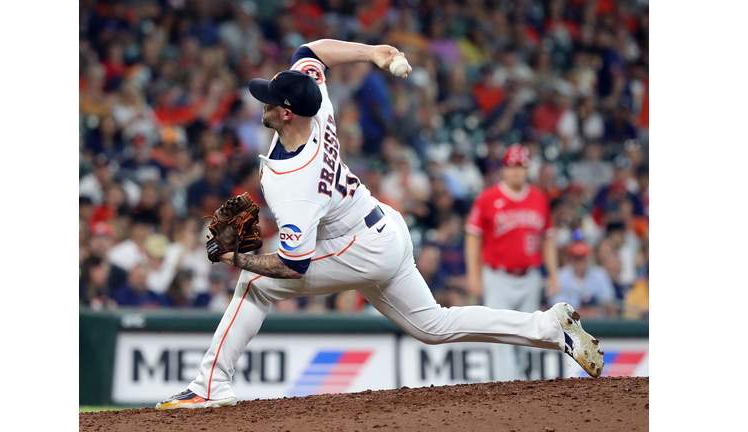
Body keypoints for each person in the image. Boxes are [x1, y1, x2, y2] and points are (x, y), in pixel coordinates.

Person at [156, 39, 603, 410]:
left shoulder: (293, 180)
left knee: (255, 284)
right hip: (380, 225)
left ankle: (211, 385)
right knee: (433, 326)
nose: (263, 102)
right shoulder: (317, 104)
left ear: (286, 113)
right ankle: (548, 328)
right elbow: (311, 50)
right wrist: (374, 52)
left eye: (269, 101)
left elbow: (296, 265)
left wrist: (239, 257)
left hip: (359, 247)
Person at [464, 144, 560, 382]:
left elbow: (547, 239)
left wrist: (553, 274)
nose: (516, 172)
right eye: (512, 166)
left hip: (529, 277)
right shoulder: (488, 198)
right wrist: (474, 277)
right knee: (501, 336)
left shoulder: (538, 198)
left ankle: (522, 388)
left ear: (527, 169)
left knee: (528, 337)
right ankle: (506, 390)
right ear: (504, 169)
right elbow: (473, 238)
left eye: (521, 166)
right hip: (497, 276)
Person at [549, 241, 617, 318]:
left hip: (596, 320)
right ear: (571, 260)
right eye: (576, 259)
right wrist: (578, 311)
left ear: (588, 259)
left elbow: (609, 300)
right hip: (568, 321)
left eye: (582, 259)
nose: (579, 263)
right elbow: (554, 303)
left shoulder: (599, 274)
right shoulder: (561, 275)